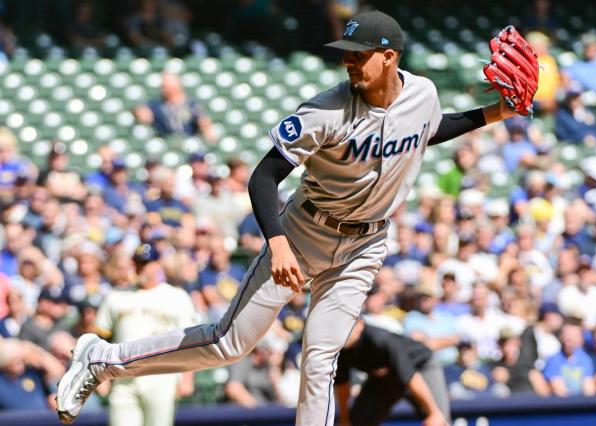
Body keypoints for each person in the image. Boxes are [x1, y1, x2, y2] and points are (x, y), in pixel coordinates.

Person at [57, 10, 523, 425]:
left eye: (361, 55)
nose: (350, 62)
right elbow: (263, 177)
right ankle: (103, 359)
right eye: (347, 54)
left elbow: (427, 129)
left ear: (390, 57)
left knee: (322, 357)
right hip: (304, 232)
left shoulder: (422, 94)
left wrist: (493, 112)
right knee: (230, 343)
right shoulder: (325, 110)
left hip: (365, 246)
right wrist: (278, 242)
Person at [94, 243, 198, 426]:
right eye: (139, 263)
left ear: (158, 264)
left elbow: (190, 341)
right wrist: (99, 376)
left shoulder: (177, 296)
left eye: (148, 263)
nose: (143, 268)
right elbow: (100, 338)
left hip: (161, 375)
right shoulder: (116, 296)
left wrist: (187, 378)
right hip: (123, 377)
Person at [335, 319, 449, 426]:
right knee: (357, 421)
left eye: (348, 327)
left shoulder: (379, 338)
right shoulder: (341, 348)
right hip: (386, 375)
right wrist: (345, 418)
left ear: (360, 324)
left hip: (421, 366)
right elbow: (342, 384)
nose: (344, 333)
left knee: (438, 420)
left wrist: (433, 412)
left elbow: (410, 376)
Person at [133, 72, 216, 142]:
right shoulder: (157, 105)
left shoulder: (192, 105)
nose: (164, 89)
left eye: (167, 86)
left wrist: (205, 127)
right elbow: (143, 113)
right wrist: (139, 112)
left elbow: (204, 122)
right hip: (165, 142)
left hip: (188, 142)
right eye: (163, 86)